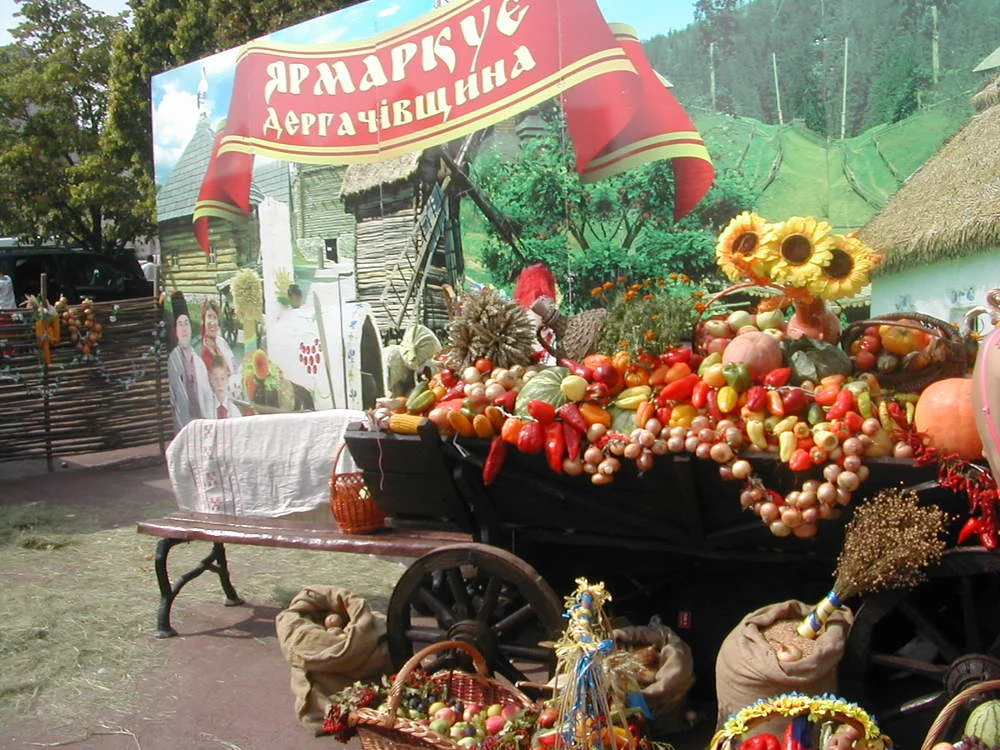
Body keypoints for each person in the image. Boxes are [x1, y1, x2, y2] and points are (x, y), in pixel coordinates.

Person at [167, 291, 213, 430]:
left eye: (186, 323)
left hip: (203, 425)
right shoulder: (173, 361)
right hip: (183, 426)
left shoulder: (199, 362)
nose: (184, 329)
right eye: (180, 324)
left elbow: (208, 398)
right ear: (175, 330)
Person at [207, 354, 243, 419]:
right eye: (215, 379)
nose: (219, 383)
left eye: (222, 378)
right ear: (210, 380)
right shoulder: (207, 410)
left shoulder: (234, 411)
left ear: (227, 379)